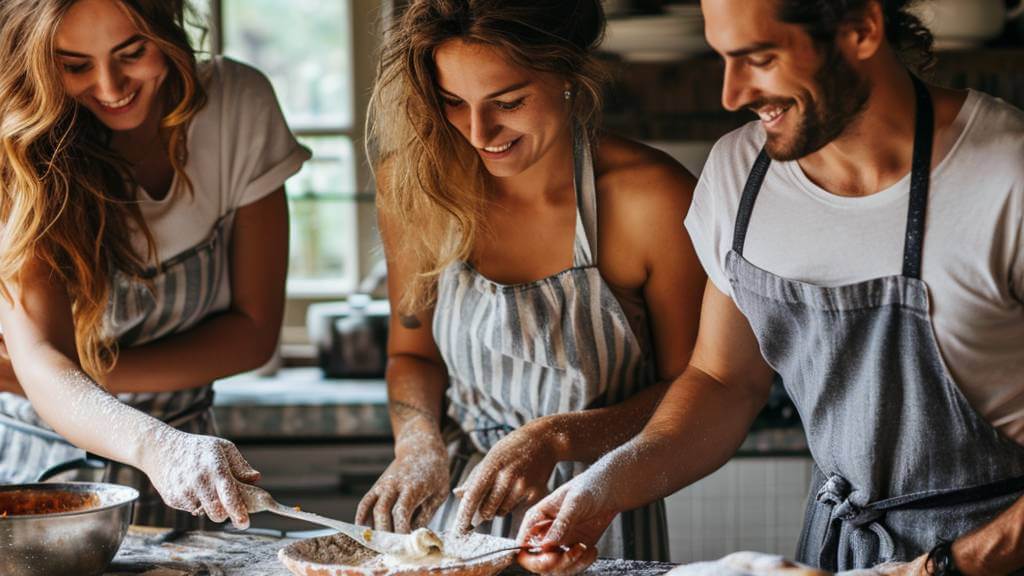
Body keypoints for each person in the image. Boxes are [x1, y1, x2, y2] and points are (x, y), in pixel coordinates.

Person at [518, 0, 1024, 574]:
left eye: (758, 58)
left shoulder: (1006, 177)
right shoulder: (740, 177)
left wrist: (941, 567)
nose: (731, 93)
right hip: (843, 554)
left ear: (861, 29)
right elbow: (723, 381)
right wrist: (606, 487)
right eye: (724, 59)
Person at [355, 0, 706, 562]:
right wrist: (417, 445)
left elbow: (692, 389)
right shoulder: (415, 184)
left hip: (595, 506)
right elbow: (413, 356)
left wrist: (556, 438)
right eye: (453, 102)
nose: (478, 131)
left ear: (568, 74)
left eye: (508, 101)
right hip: (458, 511)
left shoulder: (652, 198)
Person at [0, 0, 309, 529]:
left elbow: (254, 336)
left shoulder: (237, 106)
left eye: (132, 52)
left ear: (165, 29)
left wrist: (60, 378)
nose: (111, 85)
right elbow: (44, 355)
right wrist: (149, 439)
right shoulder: (22, 143)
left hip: (191, 468)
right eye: (75, 65)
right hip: (42, 474)